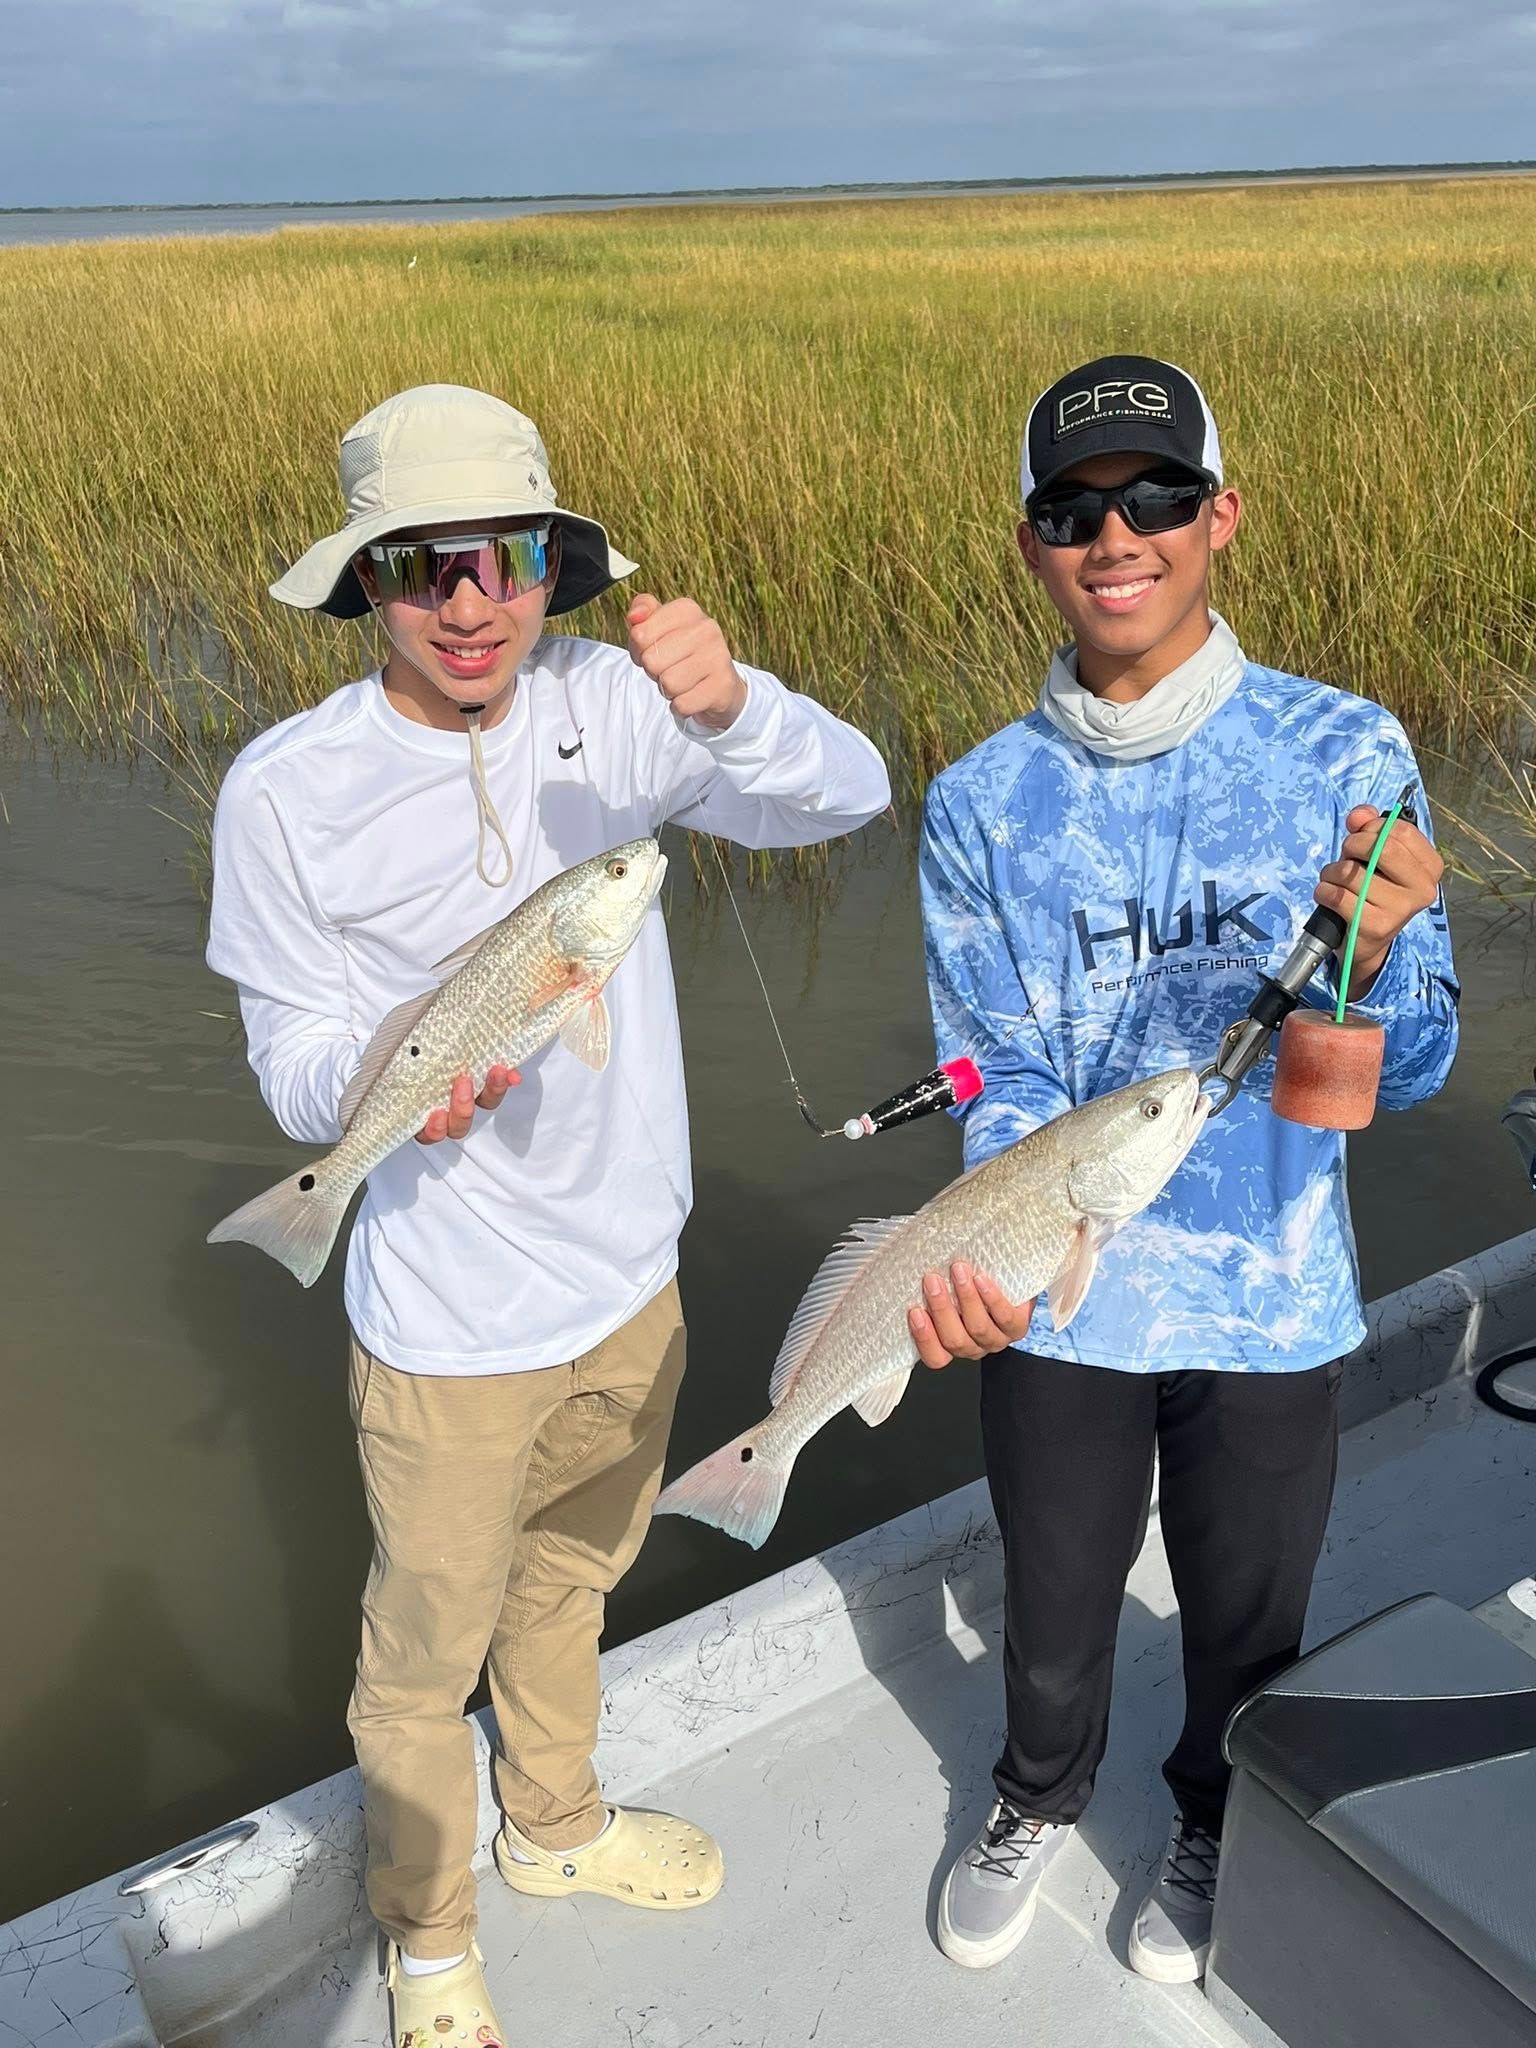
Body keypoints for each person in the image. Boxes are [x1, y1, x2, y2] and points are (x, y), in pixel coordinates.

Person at [205, 383, 890, 2047]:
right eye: (420, 563)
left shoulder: (614, 701)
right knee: (417, 1659)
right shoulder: (284, 790)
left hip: (631, 1288)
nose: (466, 600)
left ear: (550, 568)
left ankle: (561, 1824)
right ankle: (428, 1937)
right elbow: (292, 1053)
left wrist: (732, 709)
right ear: (368, 584)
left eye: (501, 558)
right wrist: (380, 1085)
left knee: (571, 1587)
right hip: (441, 1327)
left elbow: (846, 796)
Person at [915, 355, 1456, 1983]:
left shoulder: (1346, 751)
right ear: (1031, 547)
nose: (1117, 535)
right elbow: (988, 1068)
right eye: (1074, 510)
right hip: (1062, 1300)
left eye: (1156, 496)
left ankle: (1213, 1809)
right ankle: (1032, 1795)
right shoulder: (978, 802)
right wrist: (981, 1250)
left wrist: (1368, 965)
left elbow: (1415, 1066)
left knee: (1243, 1617)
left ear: (1222, 518)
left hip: (1271, 1295)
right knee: (1055, 1607)